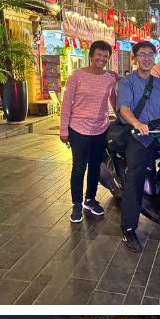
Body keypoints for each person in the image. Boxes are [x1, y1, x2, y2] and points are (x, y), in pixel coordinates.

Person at [116, 40, 160, 252]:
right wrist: (137, 124)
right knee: (134, 180)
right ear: (135, 58)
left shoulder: (159, 84)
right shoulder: (127, 82)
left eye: (150, 54)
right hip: (138, 136)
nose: (146, 58)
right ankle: (128, 228)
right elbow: (124, 108)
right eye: (142, 54)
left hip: (157, 135)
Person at [59, 40, 118, 223]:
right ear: (91, 55)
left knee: (95, 167)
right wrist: (63, 129)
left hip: (100, 128)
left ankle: (90, 199)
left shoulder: (109, 78)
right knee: (79, 167)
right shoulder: (76, 76)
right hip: (78, 129)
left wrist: (121, 118)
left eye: (105, 56)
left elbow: (115, 98)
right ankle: (77, 204)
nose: (102, 59)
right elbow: (66, 104)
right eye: (99, 55)